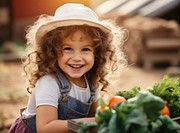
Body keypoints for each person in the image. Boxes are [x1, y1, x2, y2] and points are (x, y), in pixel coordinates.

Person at [8, 3, 127, 133]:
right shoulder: (49, 82)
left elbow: (94, 115)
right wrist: (89, 122)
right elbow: (45, 128)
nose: (77, 57)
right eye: (68, 49)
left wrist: (109, 117)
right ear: (52, 52)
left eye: (85, 49)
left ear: (97, 54)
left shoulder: (92, 84)